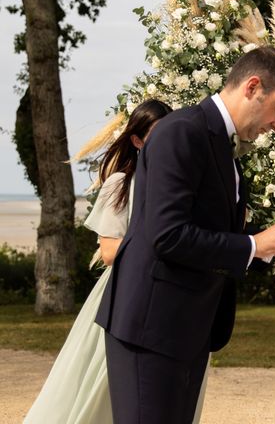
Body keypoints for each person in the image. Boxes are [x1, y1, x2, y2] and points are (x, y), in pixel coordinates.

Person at [95, 46, 275, 423]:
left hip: (182, 329)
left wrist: (269, 249)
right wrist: (255, 244)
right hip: (151, 326)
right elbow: (168, 235)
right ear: (253, 86)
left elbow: (212, 229)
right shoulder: (181, 131)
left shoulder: (218, 143)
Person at [24, 99, 173, 423]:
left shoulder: (175, 186)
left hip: (163, 297)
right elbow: (108, 252)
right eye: (157, 135)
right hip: (122, 294)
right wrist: (167, 247)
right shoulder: (121, 184)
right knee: (104, 385)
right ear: (136, 140)